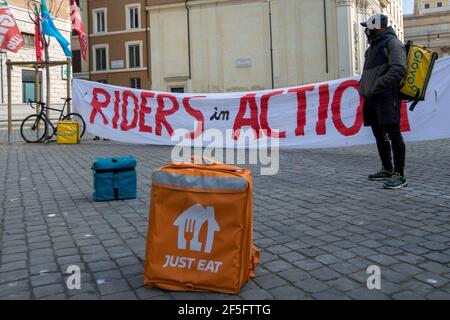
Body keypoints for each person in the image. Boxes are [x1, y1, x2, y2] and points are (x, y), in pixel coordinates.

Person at [359, 13, 408, 189]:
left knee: (393, 135)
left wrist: (377, 86)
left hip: (386, 97)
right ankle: (387, 168)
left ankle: (399, 174)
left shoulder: (392, 43)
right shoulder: (373, 47)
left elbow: (399, 69)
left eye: (368, 27)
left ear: (376, 26)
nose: (366, 30)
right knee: (379, 135)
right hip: (372, 98)